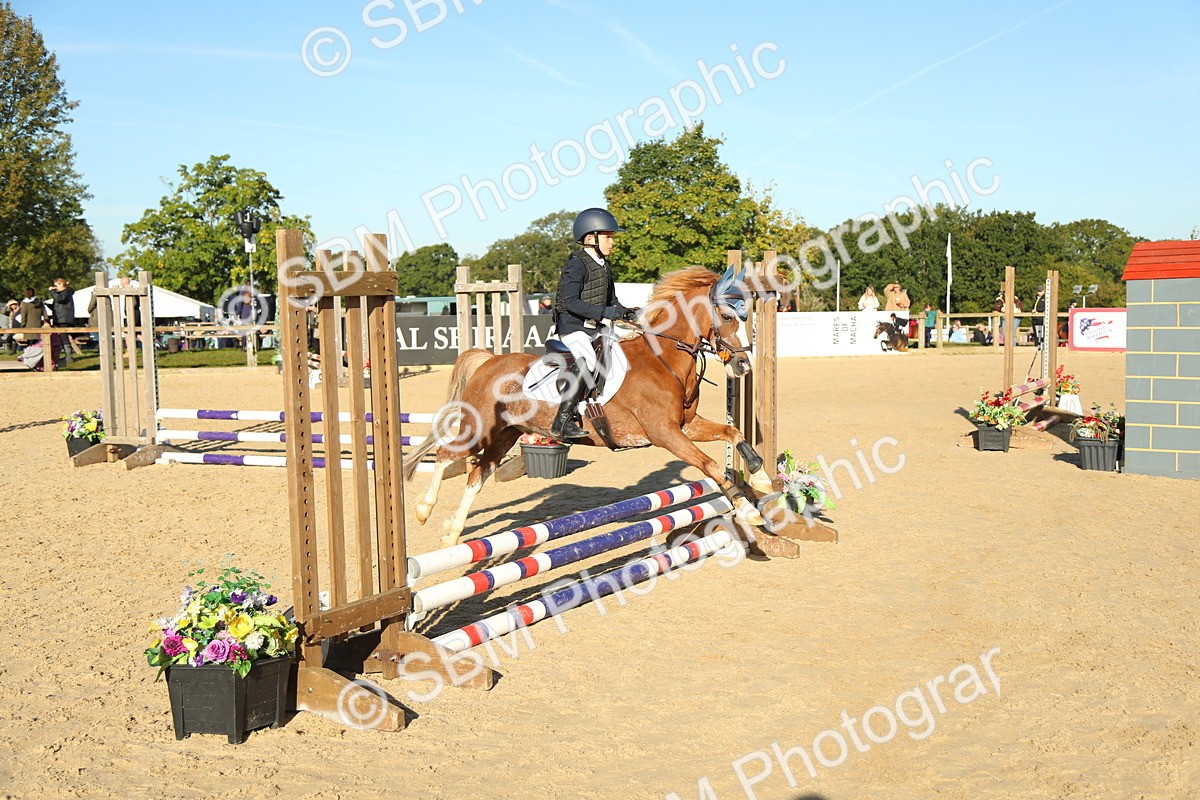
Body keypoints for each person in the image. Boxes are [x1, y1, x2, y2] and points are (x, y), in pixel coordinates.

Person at [549, 207, 638, 439]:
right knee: (588, 359)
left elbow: (612, 300)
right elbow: (571, 302)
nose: (612, 242)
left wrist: (626, 313)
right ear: (591, 238)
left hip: (595, 328)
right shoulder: (577, 263)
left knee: (625, 352)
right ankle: (562, 420)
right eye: (608, 236)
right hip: (572, 327)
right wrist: (607, 312)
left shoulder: (604, 265)